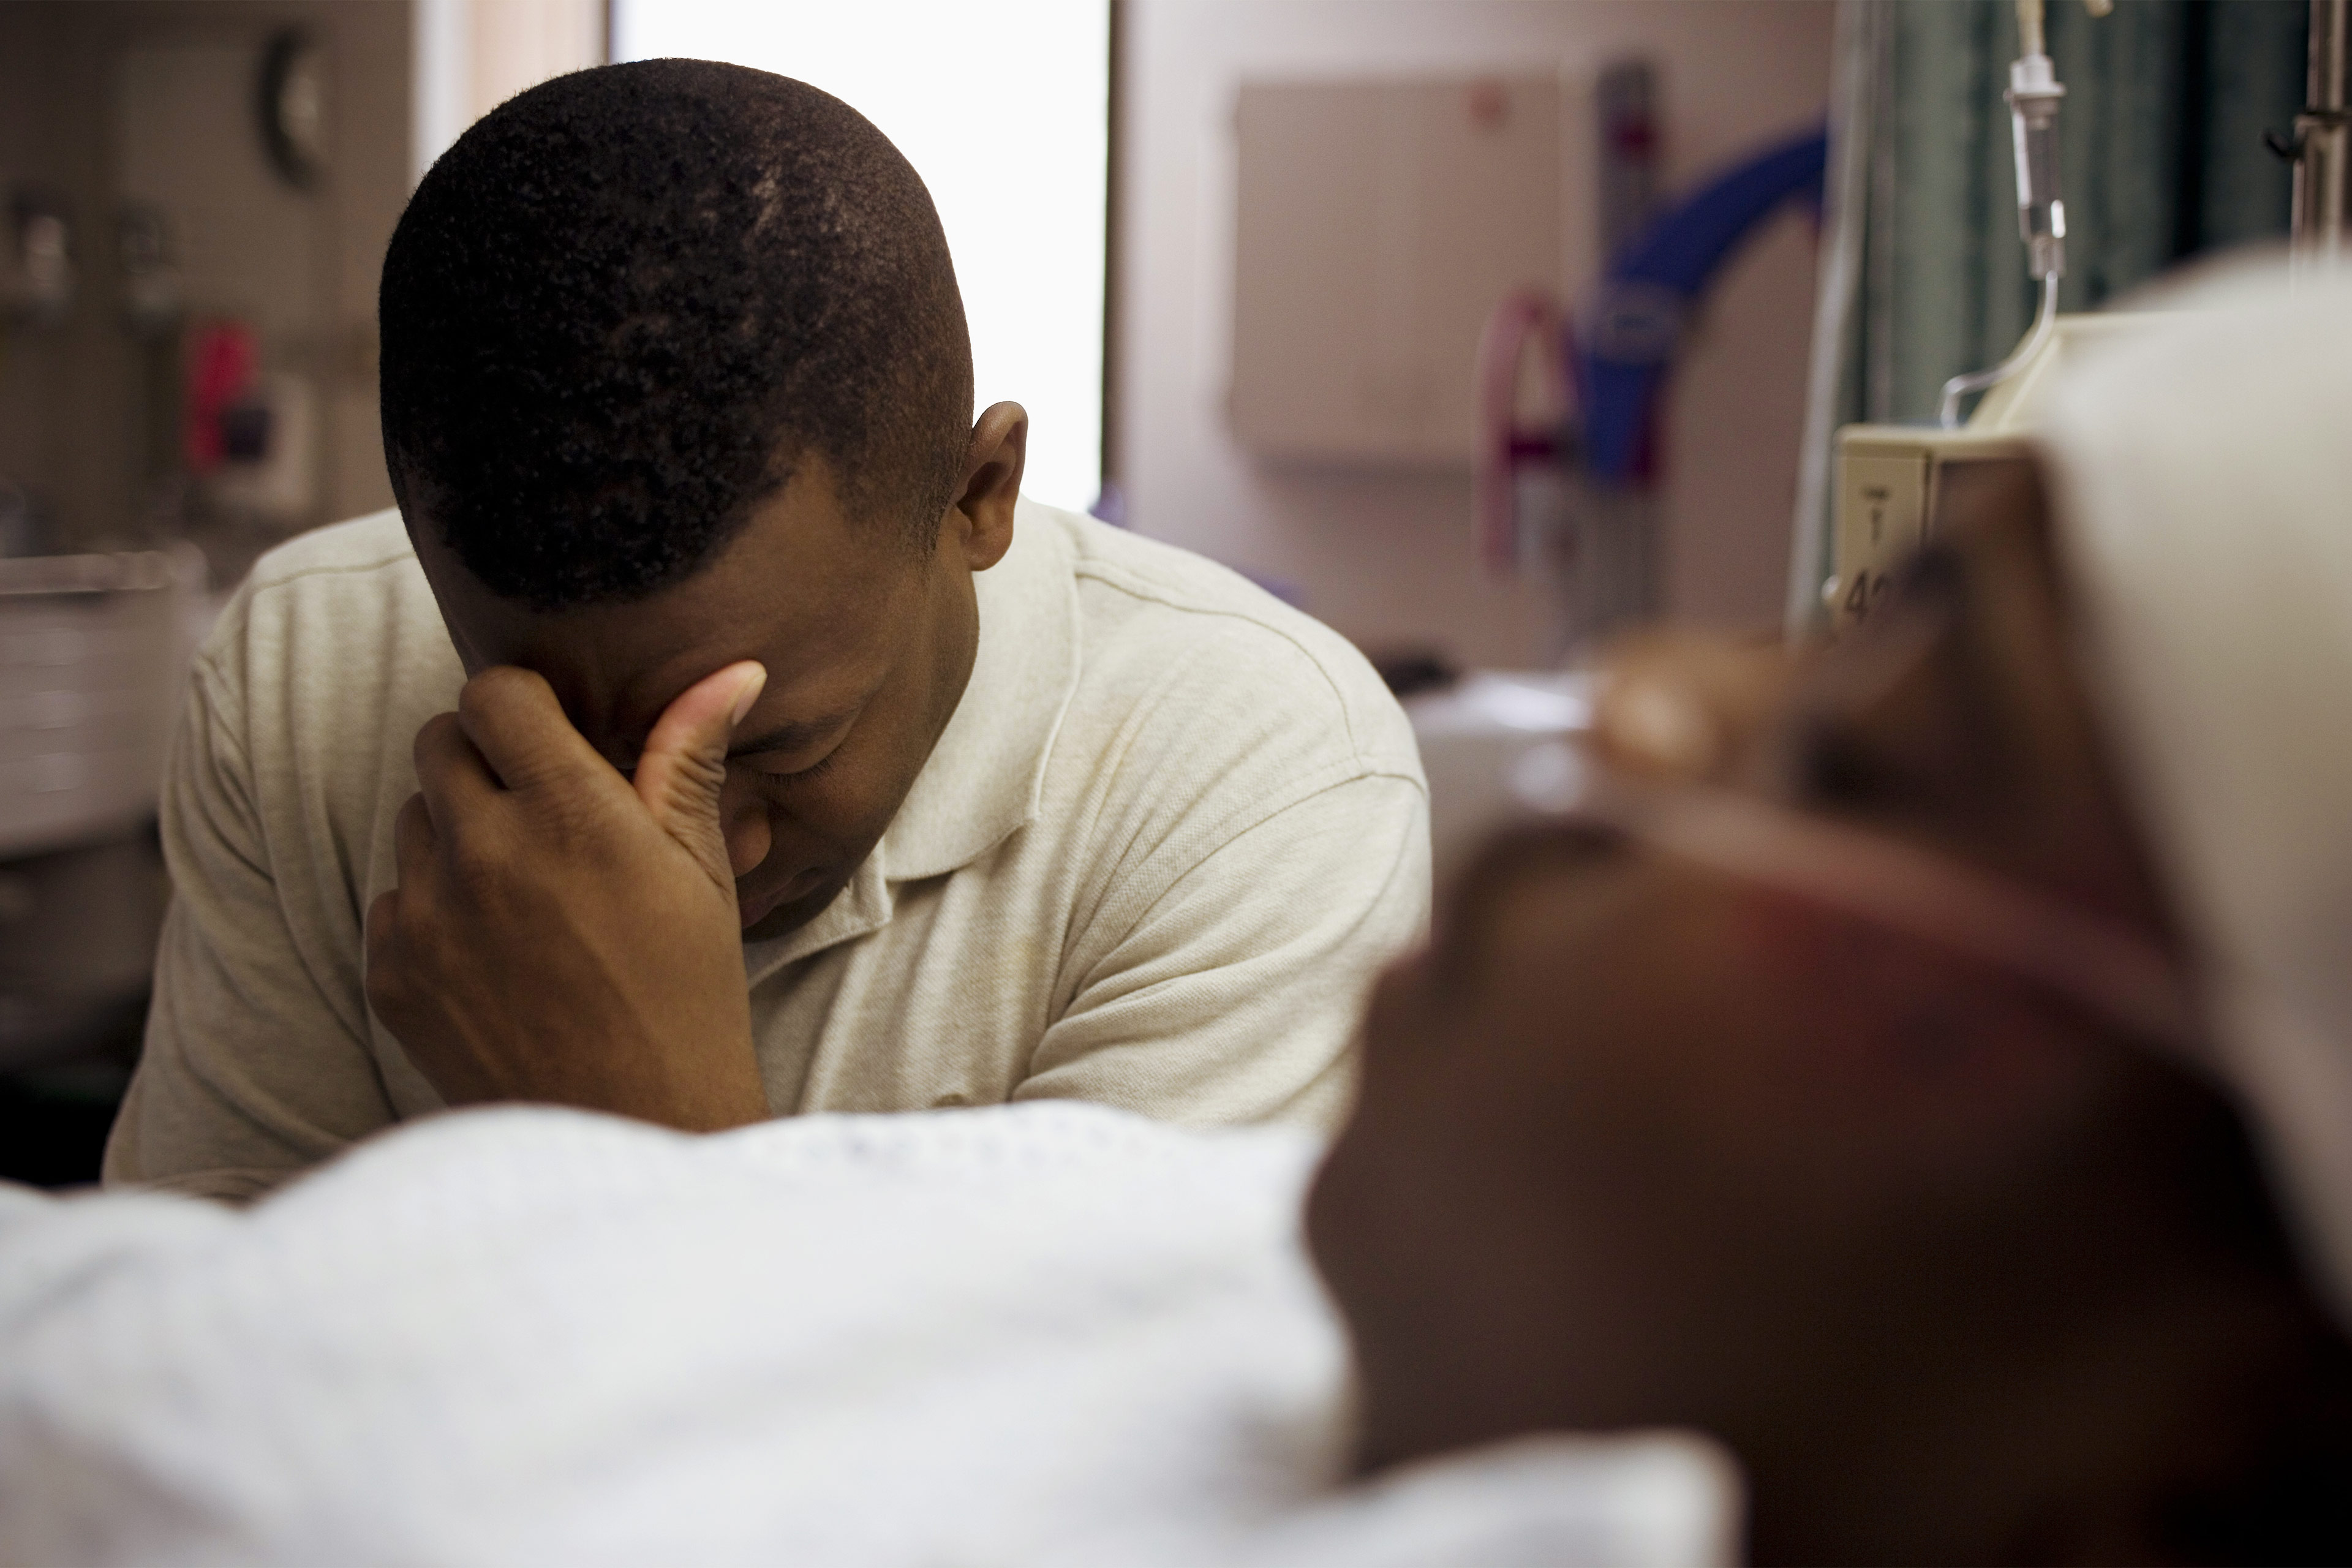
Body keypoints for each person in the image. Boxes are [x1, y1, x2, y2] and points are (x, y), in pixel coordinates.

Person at [15, 273, 2348, 1565]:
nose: (1644, 699)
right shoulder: (1166, 1227)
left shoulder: (1252, 759)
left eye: (1865, 762)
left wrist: (643, 1145)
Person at [102, 61, 1429, 1200]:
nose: (695, 851)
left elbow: (1093, 1476)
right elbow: (197, 1390)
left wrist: (639, 1118)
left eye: (780, 743)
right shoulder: (302, 666)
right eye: (562, 738)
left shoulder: (1264, 780)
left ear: (977, 498)